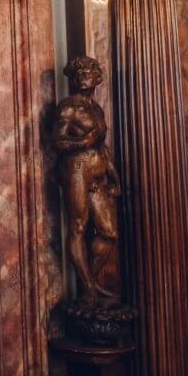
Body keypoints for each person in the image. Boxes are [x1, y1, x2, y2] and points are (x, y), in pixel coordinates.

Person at [53, 56, 121, 303]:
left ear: (97, 78)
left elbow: (103, 148)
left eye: (88, 70)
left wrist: (115, 178)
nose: (83, 75)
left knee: (109, 232)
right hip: (76, 170)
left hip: (97, 173)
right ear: (72, 79)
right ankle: (88, 288)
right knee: (79, 226)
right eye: (78, 71)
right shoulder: (67, 107)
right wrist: (84, 142)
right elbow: (58, 142)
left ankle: (89, 282)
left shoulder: (96, 108)